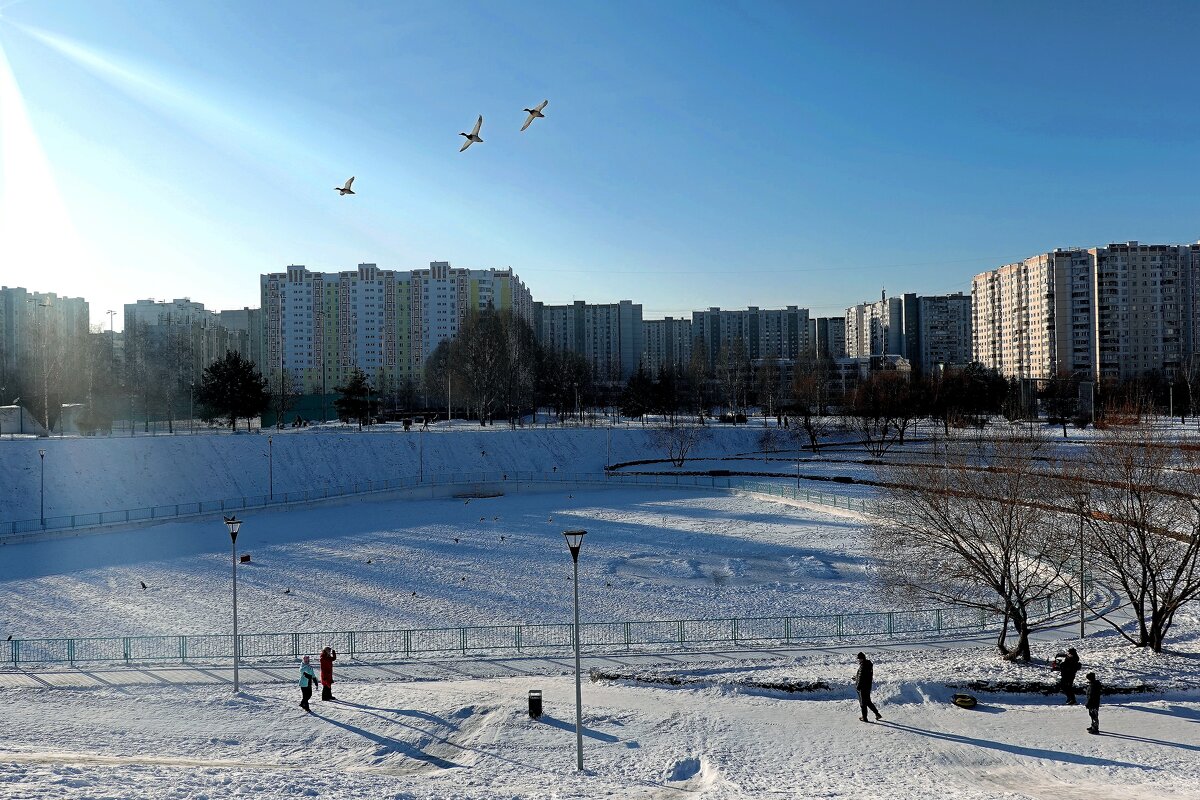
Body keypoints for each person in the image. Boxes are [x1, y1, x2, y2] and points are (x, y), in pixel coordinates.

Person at [854, 651, 882, 722]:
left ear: (862, 659)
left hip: (862, 687)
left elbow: (861, 677)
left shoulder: (863, 666)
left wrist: (858, 686)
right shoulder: (868, 665)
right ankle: (877, 714)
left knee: (863, 703)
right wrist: (856, 678)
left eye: (859, 659)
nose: (858, 660)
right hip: (867, 686)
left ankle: (864, 717)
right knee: (868, 702)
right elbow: (864, 676)